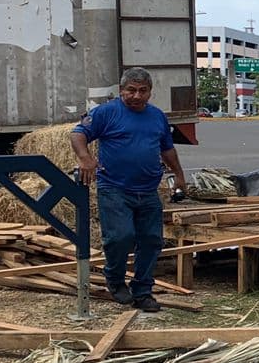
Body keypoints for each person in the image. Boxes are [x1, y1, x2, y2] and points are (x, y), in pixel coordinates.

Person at [70, 68, 189, 312]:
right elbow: (78, 134)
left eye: (142, 91)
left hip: (147, 190)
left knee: (152, 240)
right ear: (121, 90)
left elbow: (167, 149)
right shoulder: (106, 113)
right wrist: (85, 158)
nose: (136, 96)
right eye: (131, 91)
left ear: (150, 92)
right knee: (120, 237)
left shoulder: (157, 117)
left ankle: (143, 291)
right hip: (115, 189)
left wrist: (178, 175)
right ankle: (114, 279)